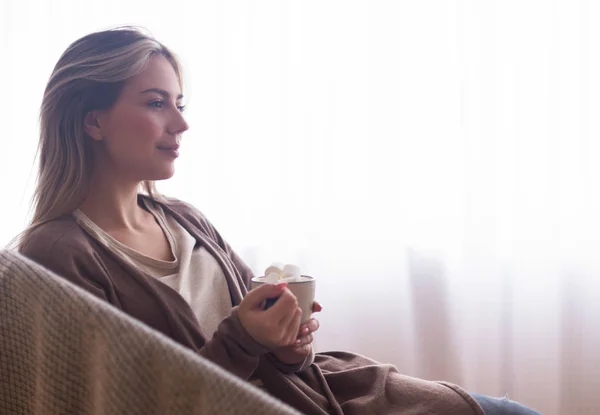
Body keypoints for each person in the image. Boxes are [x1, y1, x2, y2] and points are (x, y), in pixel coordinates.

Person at [16, 27, 542, 415]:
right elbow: (135, 401)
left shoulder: (184, 218)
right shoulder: (57, 254)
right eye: (156, 103)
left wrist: (290, 341)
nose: (181, 122)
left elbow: (263, 337)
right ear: (93, 120)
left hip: (317, 389)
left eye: (179, 103)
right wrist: (246, 336)